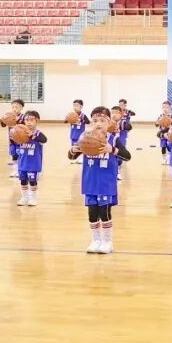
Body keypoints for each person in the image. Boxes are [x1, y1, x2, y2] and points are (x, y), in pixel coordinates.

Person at [69, 107, 131, 254]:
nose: (98, 123)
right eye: (95, 120)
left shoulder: (113, 139)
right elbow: (71, 156)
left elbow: (127, 156)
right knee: (92, 213)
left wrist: (113, 150)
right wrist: (73, 150)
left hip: (106, 183)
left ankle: (107, 241)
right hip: (90, 182)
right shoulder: (85, 138)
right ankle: (95, 240)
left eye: (102, 120)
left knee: (104, 212)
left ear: (109, 122)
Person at [15, 111, 47, 207]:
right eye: (26, 120)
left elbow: (44, 139)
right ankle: (24, 198)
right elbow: (14, 143)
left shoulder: (38, 133)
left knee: (32, 182)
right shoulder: (20, 133)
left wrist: (32, 135)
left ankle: (33, 198)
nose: (29, 122)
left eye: (31, 120)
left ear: (37, 121)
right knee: (23, 181)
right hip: (22, 163)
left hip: (33, 164)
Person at [0, 99, 26, 171]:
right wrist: (3, 119)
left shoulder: (23, 117)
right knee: (13, 152)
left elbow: (25, 126)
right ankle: (14, 165)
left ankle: (20, 166)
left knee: (20, 152)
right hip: (12, 139)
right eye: (13, 107)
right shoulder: (9, 116)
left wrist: (18, 121)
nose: (14, 109)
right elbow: (3, 125)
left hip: (20, 139)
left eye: (16, 107)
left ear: (21, 108)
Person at [68, 99, 88, 163]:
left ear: (81, 107)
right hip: (73, 134)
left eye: (77, 106)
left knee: (81, 147)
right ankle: (75, 158)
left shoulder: (83, 115)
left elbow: (88, 121)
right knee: (74, 147)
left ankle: (82, 158)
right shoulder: (71, 115)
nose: (75, 107)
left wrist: (81, 120)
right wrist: (69, 119)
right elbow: (65, 121)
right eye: (74, 105)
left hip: (80, 134)